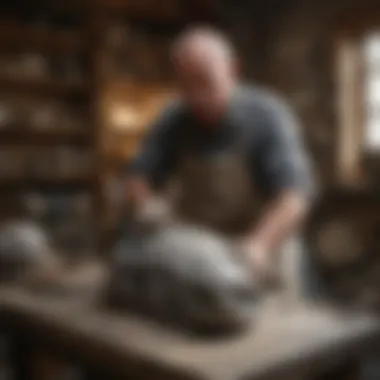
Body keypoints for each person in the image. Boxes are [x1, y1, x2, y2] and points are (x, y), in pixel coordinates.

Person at [126, 26, 315, 285]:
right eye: (186, 85)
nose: (197, 97)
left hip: (260, 250)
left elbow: (294, 197)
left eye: (205, 81)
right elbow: (140, 174)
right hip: (203, 251)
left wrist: (259, 244)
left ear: (233, 70)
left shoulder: (267, 116)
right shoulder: (174, 118)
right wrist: (146, 204)